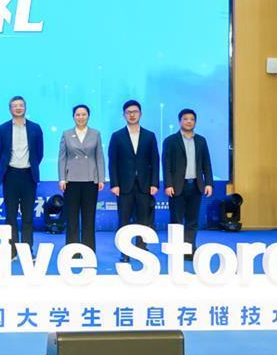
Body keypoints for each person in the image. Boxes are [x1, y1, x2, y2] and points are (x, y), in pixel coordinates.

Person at [107, 99, 160, 262]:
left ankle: (141, 248)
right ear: (124, 115)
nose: (132, 115)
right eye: (128, 112)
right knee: (124, 219)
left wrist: (154, 183)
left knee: (143, 219)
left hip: (144, 184)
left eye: (135, 112)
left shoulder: (149, 136)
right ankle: (125, 251)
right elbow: (112, 162)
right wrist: (114, 184)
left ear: (140, 114)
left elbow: (155, 161)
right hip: (124, 186)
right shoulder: (117, 136)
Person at [162, 108, 214, 258]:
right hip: (177, 186)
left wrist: (208, 183)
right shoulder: (170, 141)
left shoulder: (201, 141)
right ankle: (177, 249)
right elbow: (166, 165)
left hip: (196, 185)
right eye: (185, 119)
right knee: (176, 220)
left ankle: (190, 249)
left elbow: (206, 163)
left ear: (195, 122)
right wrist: (168, 184)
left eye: (192, 119)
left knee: (192, 220)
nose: (189, 122)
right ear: (180, 121)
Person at [0, 95, 44, 249]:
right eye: (15, 105)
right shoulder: (2, 129)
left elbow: (39, 153)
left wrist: (31, 166)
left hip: (29, 175)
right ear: (10, 109)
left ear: (25, 107)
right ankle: (12, 250)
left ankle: (27, 249)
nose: (18, 108)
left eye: (21, 105)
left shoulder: (35, 128)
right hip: (10, 175)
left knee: (28, 215)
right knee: (10, 215)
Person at [57, 104, 106, 251]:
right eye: (78, 115)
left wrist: (101, 178)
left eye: (83, 114)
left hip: (90, 180)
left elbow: (99, 157)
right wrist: (62, 178)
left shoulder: (95, 134)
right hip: (71, 180)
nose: (81, 117)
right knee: (72, 217)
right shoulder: (66, 134)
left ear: (88, 116)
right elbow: (62, 158)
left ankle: (88, 251)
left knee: (89, 217)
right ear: (73, 117)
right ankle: (72, 251)